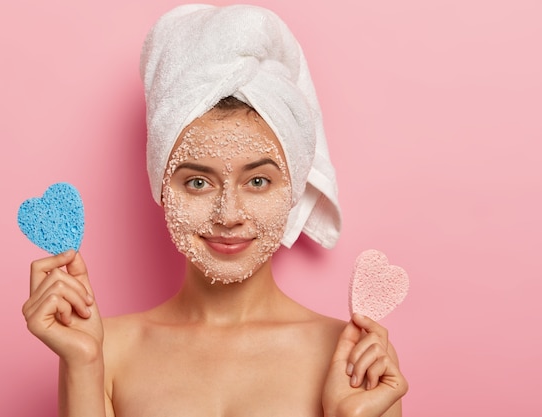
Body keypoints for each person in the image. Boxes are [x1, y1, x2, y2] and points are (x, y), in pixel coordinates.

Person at [22, 4, 408, 417]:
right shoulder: (103, 350)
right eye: (198, 182)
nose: (228, 215)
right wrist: (82, 363)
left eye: (258, 181)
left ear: (293, 188)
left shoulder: (352, 360)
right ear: (162, 188)